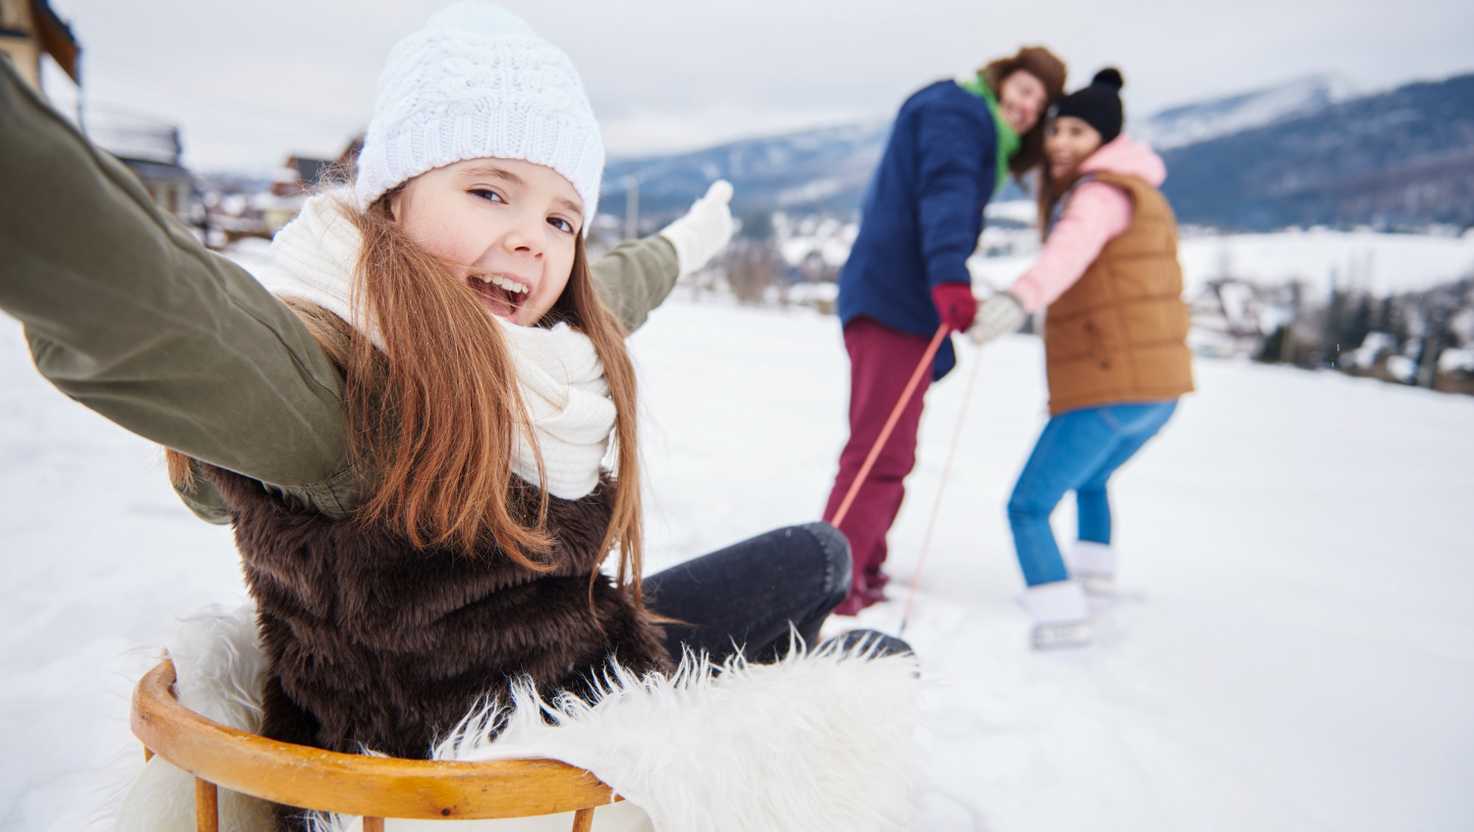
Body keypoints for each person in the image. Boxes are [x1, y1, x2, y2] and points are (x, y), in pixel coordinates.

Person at [0, 5, 911, 826]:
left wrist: (695, 236)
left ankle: (794, 664)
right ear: (392, 200)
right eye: (489, 190)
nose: (532, 238)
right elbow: (156, 307)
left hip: (573, 663)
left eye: (563, 219)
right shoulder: (332, 386)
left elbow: (617, 288)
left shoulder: (530, 351)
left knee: (817, 555)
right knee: (869, 648)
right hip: (479, 778)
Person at [824, 46, 1067, 614]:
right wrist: (950, 279)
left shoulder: (966, 119)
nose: (1030, 107)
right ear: (1003, 79)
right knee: (878, 447)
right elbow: (946, 195)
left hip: (900, 305)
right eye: (1026, 89)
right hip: (893, 301)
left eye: (1041, 102)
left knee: (893, 447)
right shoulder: (959, 114)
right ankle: (832, 577)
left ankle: (863, 561)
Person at [970, 69, 1196, 649]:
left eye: (1077, 131)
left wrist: (1018, 297)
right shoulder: (1139, 188)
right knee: (1092, 480)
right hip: (1158, 392)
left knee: (1027, 506)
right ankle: (1094, 583)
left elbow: (1067, 253)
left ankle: (1060, 616)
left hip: (1111, 386)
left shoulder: (1098, 194)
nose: (1061, 142)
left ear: (1105, 137)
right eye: (1056, 130)